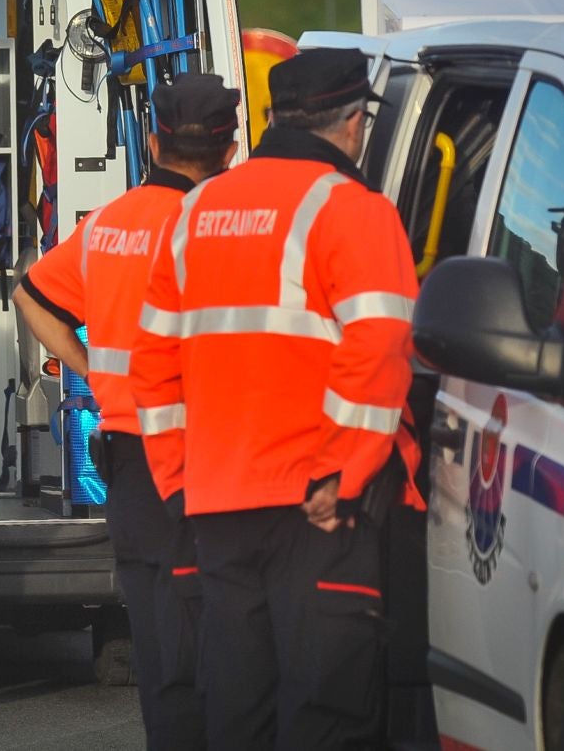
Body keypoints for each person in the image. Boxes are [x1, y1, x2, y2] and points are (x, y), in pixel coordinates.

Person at [129, 48, 422, 750]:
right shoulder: (354, 208)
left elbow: (151, 362)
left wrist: (178, 480)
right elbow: (381, 343)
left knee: (238, 707)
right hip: (317, 508)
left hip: (217, 504)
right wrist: (342, 471)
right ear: (353, 124)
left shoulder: (196, 211)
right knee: (326, 710)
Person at [13, 73, 238, 751]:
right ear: (229, 149)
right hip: (209, 453)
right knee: (222, 631)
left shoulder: (109, 224)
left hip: (129, 457)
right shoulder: (225, 225)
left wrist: (89, 369)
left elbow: (31, 297)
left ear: (153, 141)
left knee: (158, 635)